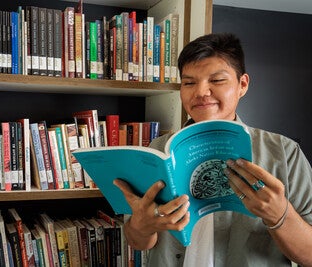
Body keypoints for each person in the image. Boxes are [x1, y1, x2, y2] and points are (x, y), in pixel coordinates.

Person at [113, 33, 312, 266]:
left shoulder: (284, 153)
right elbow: (137, 242)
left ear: (243, 85)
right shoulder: (157, 150)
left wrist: (278, 215)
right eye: (189, 83)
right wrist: (140, 226)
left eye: (216, 81)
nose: (201, 92)